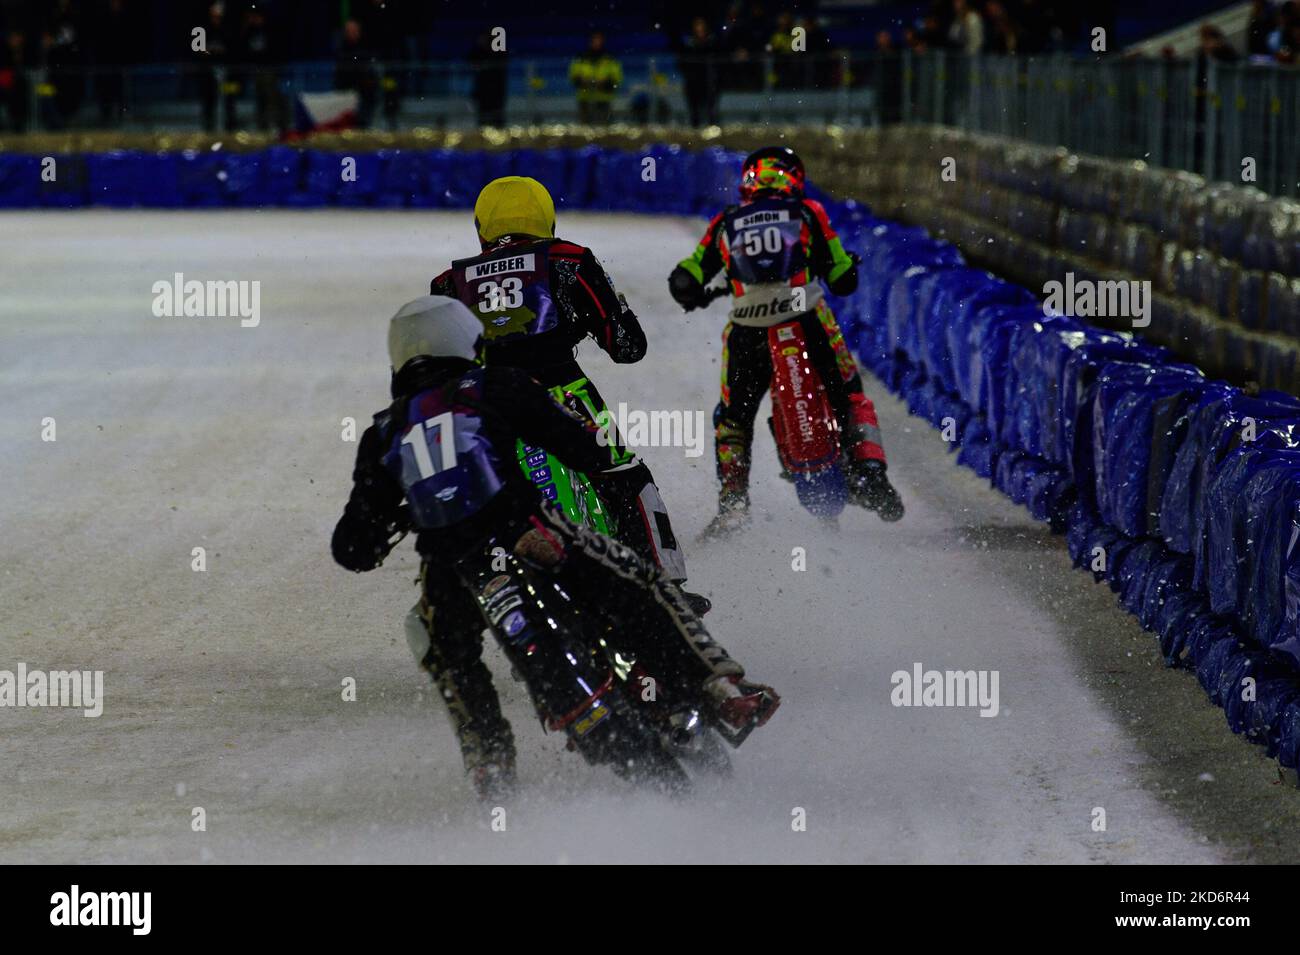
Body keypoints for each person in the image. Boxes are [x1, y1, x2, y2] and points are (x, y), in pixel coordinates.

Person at [331, 296, 780, 798]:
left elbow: (352, 549)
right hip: (531, 533)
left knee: (448, 657)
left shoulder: (383, 432)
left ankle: (489, 763)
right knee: (637, 581)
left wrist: (399, 513)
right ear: (463, 342)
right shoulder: (493, 385)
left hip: (455, 570)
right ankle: (719, 687)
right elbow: (584, 449)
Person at [428, 175, 706, 611]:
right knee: (628, 479)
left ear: (482, 227)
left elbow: (440, 368)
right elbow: (627, 346)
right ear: (547, 220)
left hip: (485, 409)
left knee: (467, 503)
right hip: (564, 396)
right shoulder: (570, 259)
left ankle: (470, 606)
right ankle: (665, 586)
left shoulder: (447, 282)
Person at [667, 146, 904, 536]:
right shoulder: (809, 213)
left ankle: (733, 504)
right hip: (807, 319)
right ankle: (870, 470)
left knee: (732, 418)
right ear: (793, 179)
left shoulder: (727, 222)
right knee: (849, 392)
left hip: (748, 331)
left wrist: (688, 289)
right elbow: (843, 277)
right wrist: (841, 265)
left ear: (749, 182)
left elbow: (690, 274)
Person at [568, 32, 621, 125]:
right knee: (585, 129)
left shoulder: (610, 58)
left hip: (604, 98)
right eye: (594, 41)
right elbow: (574, 76)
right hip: (585, 98)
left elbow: (617, 77)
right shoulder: (581, 57)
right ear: (590, 42)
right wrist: (583, 81)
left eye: (599, 40)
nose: (596, 43)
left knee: (604, 128)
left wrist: (604, 83)